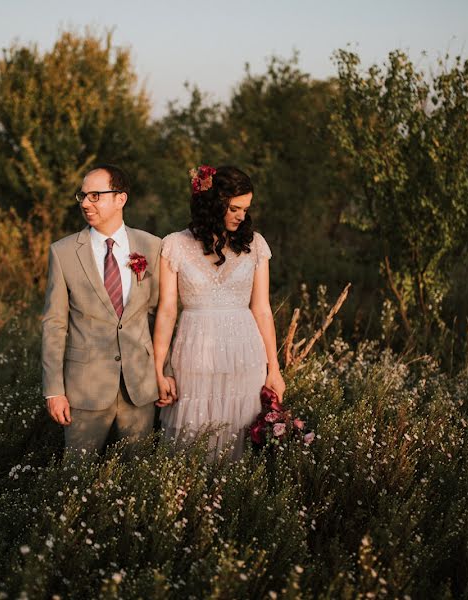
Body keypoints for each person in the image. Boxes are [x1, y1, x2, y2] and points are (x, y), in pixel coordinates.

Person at [153, 165, 285, 460]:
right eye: (235, 208)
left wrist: (274, 369)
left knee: (239, 433)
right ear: (213, 204)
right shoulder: (174, 245)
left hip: (244, 355)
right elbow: (166, 311)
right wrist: (159, 369)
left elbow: (262, 309)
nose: (242, 215)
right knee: (192, 437)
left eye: (246, 208)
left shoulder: (255, 245)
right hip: (193, 356)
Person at [42, 164, 162, 454]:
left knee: (137, 476)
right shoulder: (63, 252)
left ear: (120, 198)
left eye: (95, 195)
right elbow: (54, 324)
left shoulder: (152, 246)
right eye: (82, 196)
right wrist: (54, 390)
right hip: (85, 390)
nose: (85, 203)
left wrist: (164, 374)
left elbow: (160, 315)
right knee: (77, 476)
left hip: (140, 388)